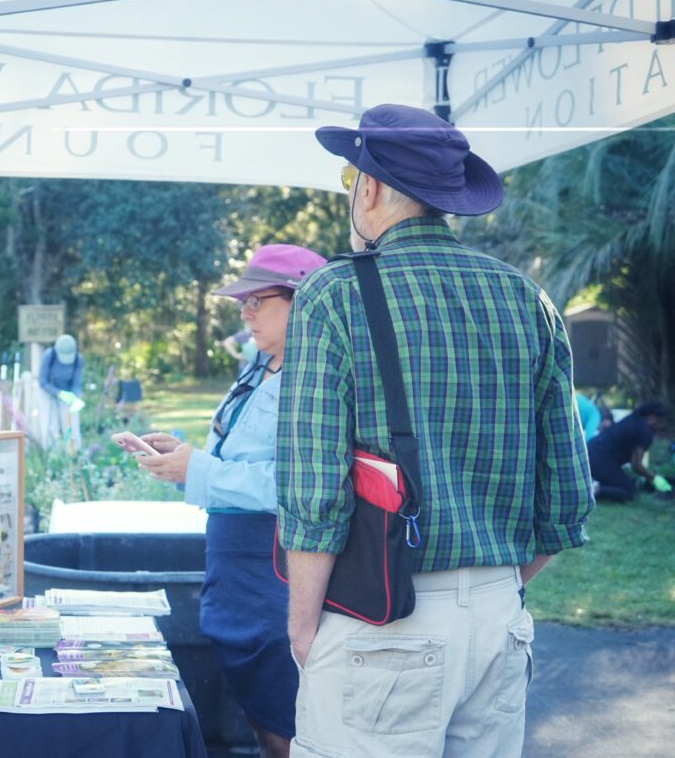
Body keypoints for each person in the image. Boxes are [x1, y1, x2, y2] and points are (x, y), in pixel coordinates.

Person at [275, 104, 595, 757]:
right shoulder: (526, 298)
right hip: (501, 619)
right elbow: (567, 504)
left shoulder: (332, 294)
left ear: (368, 188)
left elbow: (315, 496)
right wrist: (487, 589)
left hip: (381, 621)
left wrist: (303, 628)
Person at [135, 244, 327, 758]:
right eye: (242, 301)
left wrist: (196, 468)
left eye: (257, 300)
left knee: (285, 713)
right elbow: (233, 454)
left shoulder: (315, 380)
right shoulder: (259, 365)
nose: (244, 312)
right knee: (257, 708)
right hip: (233, 566)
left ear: (301, 302)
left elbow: (297, 484)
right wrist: (181, 460)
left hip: (276, 567)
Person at [587, 402, 669, 501]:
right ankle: (593, 491)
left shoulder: (632, 420)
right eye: (660, 421)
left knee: (625, 481)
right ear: (651, 417)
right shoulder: (645, 431)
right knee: (629, 490)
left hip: (590, 452)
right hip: (600, 459)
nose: (661, 425)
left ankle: (594, 486)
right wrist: (654, 478)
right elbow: (636, 465)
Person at [37, 333, 84, 449]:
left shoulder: (78, 360)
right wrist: (59, 393)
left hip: (67, 393)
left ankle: (74, 452)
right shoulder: (49, 355)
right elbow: (42, 381)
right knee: (50, 424)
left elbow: (76, 384)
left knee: (71, 425)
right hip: (48, 392)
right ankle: (52, 454)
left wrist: (75, 397)